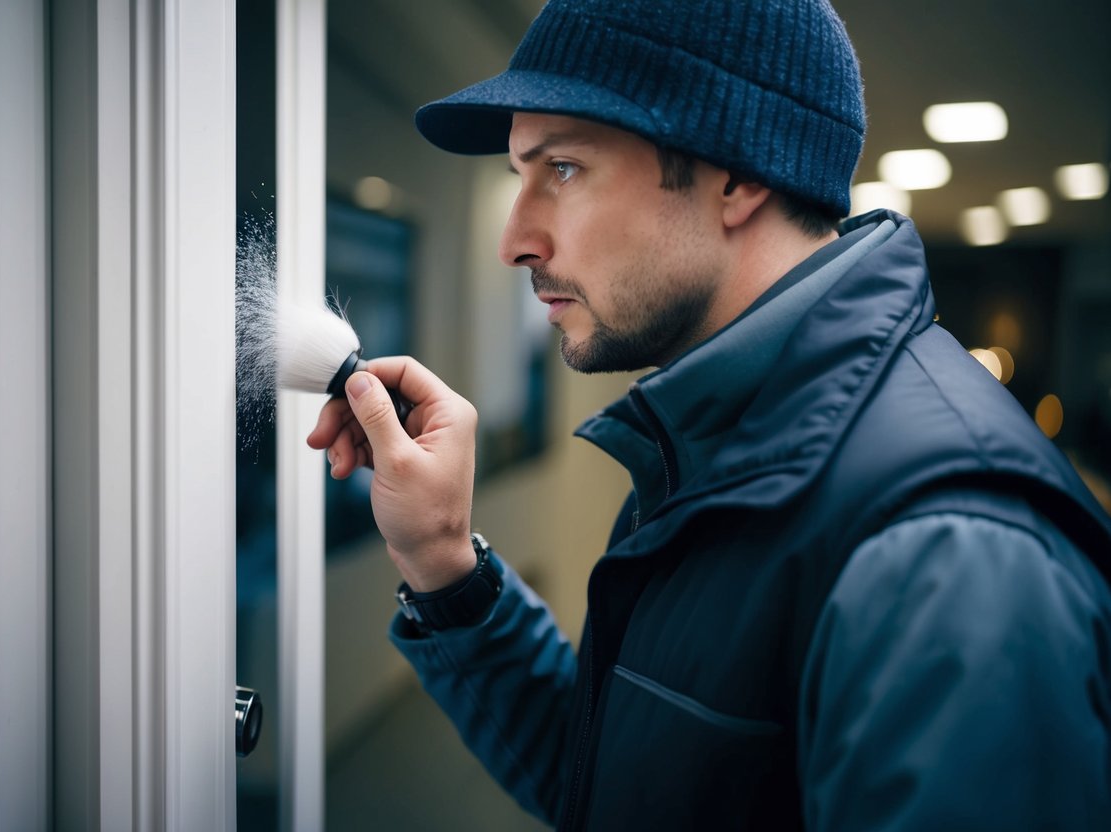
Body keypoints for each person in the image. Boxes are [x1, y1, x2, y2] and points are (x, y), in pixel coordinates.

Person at [308, 0, 1111, 828]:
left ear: (735, 174)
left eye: (565, 169)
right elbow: (625, 783)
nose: (514, 239)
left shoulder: (951, 551)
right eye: (521, 177)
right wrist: (442, 562)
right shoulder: (723, 433)